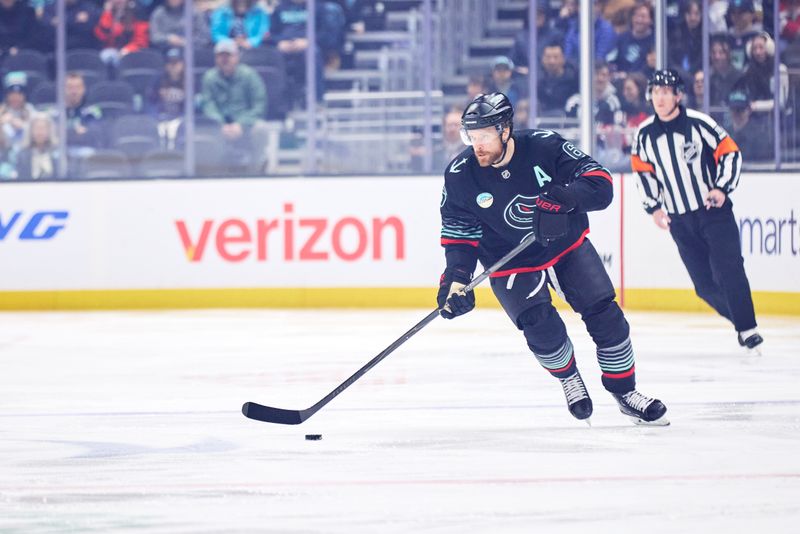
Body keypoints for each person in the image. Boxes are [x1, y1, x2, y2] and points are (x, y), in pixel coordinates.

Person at [437, 92, 669, 425]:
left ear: (505, 130)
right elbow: (459, 235)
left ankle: (625, 392)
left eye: (485, 135)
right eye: (471, 137)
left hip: (564, 246)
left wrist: (564, 198)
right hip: (509, 260)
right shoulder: (461, 174)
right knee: (541, 330)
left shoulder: (543, 146)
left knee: (606, 316)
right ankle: (569, 377)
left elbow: (601, 184)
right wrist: (456, 278)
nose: (478, 145)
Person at [630, 69, 763, 354]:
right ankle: (740, 323)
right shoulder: (644, 134)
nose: (660, 97)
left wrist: (722, 188)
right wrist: (653, 207)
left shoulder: (699, 123)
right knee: (704, 285)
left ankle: (748, 329)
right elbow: (642, 172)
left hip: (713, 212)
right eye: (655, 92)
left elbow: (730, 152)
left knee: (729, 270)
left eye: (666, 92)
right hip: (679, 219)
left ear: (678, 95)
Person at [15, 112, 59, 180]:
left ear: (49, 130)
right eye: (37, 128)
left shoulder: (57, 154)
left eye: (43, 128)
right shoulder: (22, 155)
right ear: (30, 131)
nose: (40, 132)